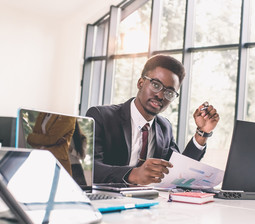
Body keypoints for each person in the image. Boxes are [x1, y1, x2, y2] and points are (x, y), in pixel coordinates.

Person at [86, 54, 219, 185]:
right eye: (156, 85)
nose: (161, 96)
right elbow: (89, 169)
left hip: (147, 202)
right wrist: (134, 174)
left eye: (169, 92)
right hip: (104, 200)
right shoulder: (100, 116)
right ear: (141, 83)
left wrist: (202, 132)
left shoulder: (164, 127)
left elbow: (178, 172)